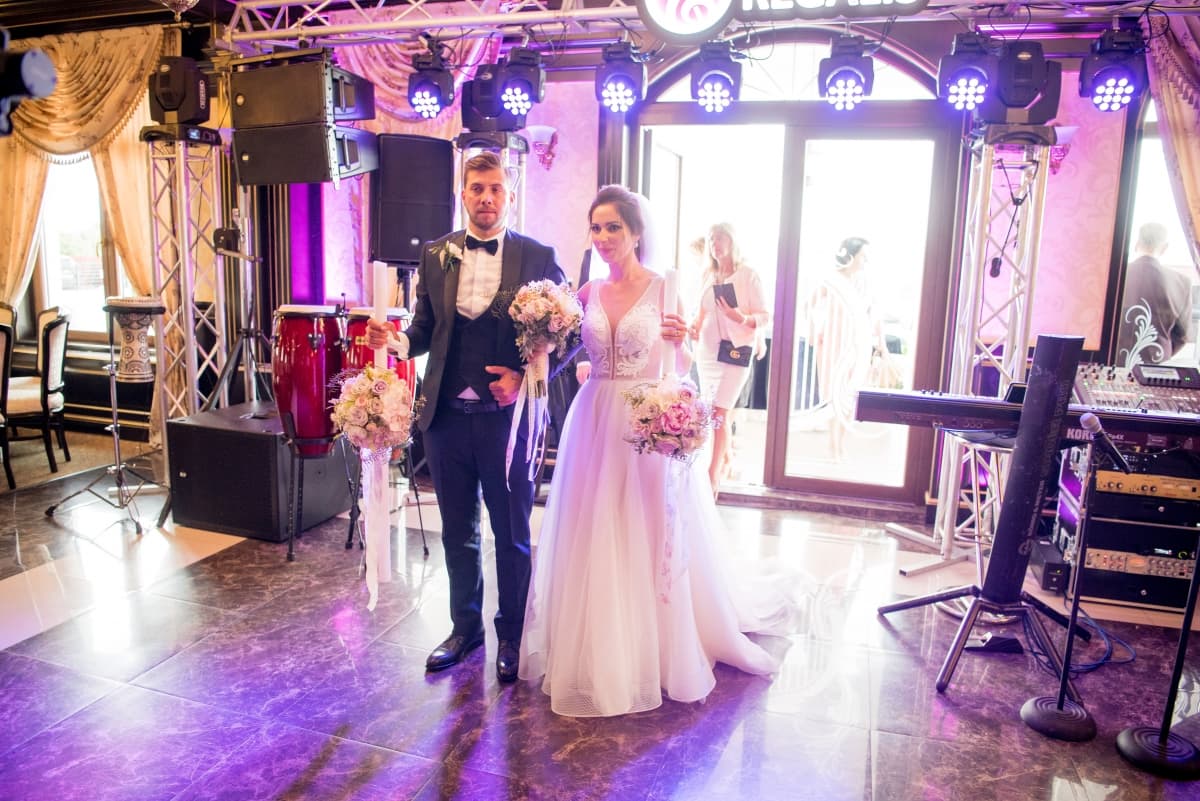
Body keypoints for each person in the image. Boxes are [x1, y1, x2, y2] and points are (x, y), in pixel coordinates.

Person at [519, 185, 793, 717]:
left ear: (636, 232)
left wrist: (682, 341)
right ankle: (602, 639)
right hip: (593, 419)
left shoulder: (665, 287)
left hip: (644, 416)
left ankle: (659, 642)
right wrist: (537, 342)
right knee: (595, 523)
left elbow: (681, 365)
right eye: (596, 228)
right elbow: (561, 352)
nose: (603, 237)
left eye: (613, 227)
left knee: (647, 523)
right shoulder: (587, 292)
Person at [366, 151, 564, 683]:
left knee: (512, 533)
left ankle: (512, 635)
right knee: (457, 531)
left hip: (507, 422)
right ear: (463, 193)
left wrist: (524, 377)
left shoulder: (539, 257)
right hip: (445, 419)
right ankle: (465, 628)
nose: (486, 198)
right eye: (477, 188)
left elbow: (567, 337)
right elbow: (424, 329)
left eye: (495, 188)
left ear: (510, 196)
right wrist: (396, 340)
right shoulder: (436, 254)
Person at [688, 223, 771, 493]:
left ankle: (712, 475)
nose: (715, 244)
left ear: (732, 241)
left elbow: (764, 316)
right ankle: (722, 460)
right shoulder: (709, 275)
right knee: (709, 411)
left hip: (736, 351)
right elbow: (701, 312)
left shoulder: (748, 275)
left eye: (720, 238)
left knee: (720, 413)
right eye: (711, 239)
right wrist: (694, 327)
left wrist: (741, 318)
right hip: (708, 353)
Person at [805, 236, 885, 460]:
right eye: (863, 256)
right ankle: (833, 445)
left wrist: (880, 342)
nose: (865, 261)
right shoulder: (832, 280)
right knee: (834, 395)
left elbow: (873, 314)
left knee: (851, 396)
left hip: (857, 344)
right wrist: (813, 331)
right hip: (832, 343)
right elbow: (808, 304)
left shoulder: (864, 283)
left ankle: (840, 443)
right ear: (851, 255)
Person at [1117, 221, 1195, 367]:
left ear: (1137, 243)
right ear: (1165, 248)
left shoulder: (1116, 275)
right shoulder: (1182, 282)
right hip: (1155, 364)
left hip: (1114, 362)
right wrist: (1161, 353)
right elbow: (1182, 335)